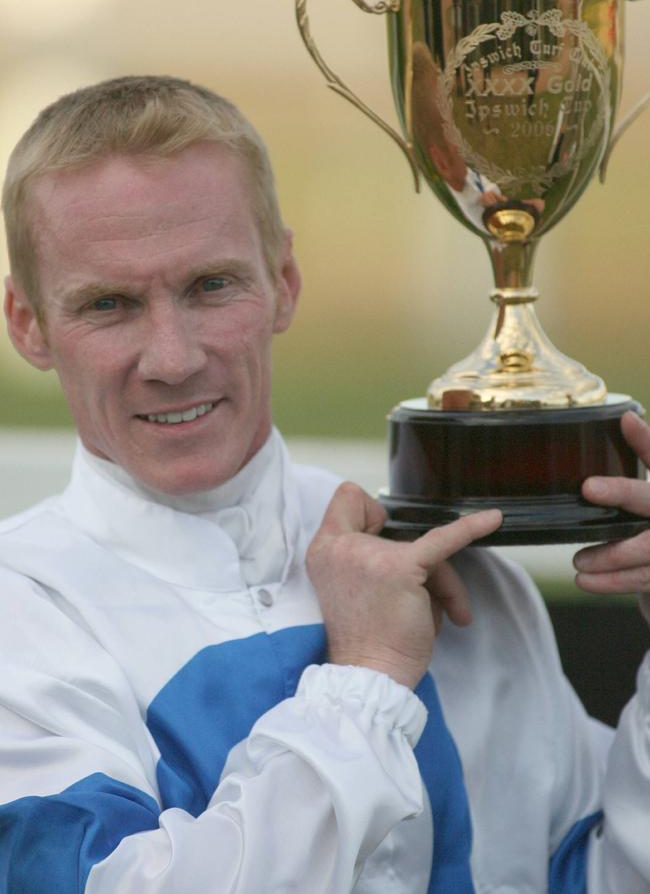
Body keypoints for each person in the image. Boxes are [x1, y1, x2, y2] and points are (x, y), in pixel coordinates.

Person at [0, 75, 648, 894]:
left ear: (285, 281)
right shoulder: (18, 619)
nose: (173, 359)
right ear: (28, 324)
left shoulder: (456, 573)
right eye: (110, 304)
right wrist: (366, 678)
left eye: (211, 286)